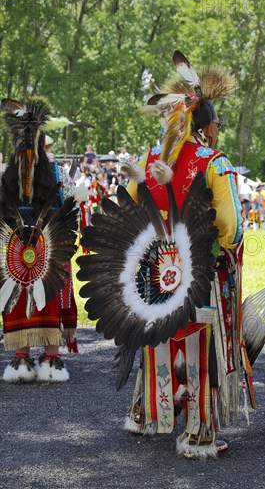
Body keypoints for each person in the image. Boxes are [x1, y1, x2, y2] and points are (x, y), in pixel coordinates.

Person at [78, 51, 250, 459]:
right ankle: (197, 432)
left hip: (156, 270)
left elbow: (133, 204)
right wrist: (227, 248)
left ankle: (146, 413)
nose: (217, 132)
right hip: (199, 270)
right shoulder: (213, 162)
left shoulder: (150, 159)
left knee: (158, 330)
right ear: (206, 128)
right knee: (197, 337)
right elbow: (229, 222)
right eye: (217, 126)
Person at [0, 97, 78, 382]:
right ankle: (49, 357)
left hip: (18, 251)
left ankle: (23, 358)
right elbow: (73, 210)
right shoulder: (57, 173)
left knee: (19, 295)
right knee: (46, 295)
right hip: (46, 248)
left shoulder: (6, 176)